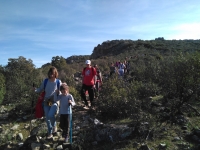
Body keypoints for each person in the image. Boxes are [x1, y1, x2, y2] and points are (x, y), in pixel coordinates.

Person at [34, 66, 62, 139]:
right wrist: (35, 90)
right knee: (47, 118)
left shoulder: (58, 82)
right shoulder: (45, 81)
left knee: (50, 115)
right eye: (50, 73)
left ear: (55, 74)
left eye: (53, 73)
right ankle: (50, 132)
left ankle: (54, 125)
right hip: (46, 100)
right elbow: (40, 89)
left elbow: (62, 92)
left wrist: (59, 92)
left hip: (54, 101)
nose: (51, 75)